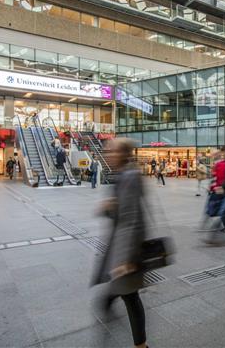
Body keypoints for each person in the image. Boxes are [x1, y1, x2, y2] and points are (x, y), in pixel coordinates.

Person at [93, 138, 148, 348]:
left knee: (130, 297)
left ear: (123, 155)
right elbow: (122, 212)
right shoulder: (123, 175)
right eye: (107, 152)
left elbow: (131, 218)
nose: (108, 156)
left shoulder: (130, 177)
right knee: (125, 292)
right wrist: (108, 207)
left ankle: (141, 345)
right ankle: (107, 302)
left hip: (126, 251)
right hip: (120, 247)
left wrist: (125, 259)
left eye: (112, 152)